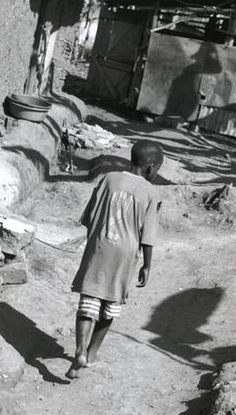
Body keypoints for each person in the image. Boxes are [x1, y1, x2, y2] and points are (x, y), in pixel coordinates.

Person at [67, 140, 163, 378]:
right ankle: (91, 354)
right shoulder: (151, 193)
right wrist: (147, 264)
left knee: (88, 300)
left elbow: (90, 218)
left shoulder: (108, 179)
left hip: (100, 245)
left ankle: (79, 349)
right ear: (151, 168)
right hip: (126, 253)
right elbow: (148, 234)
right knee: (111, 305)